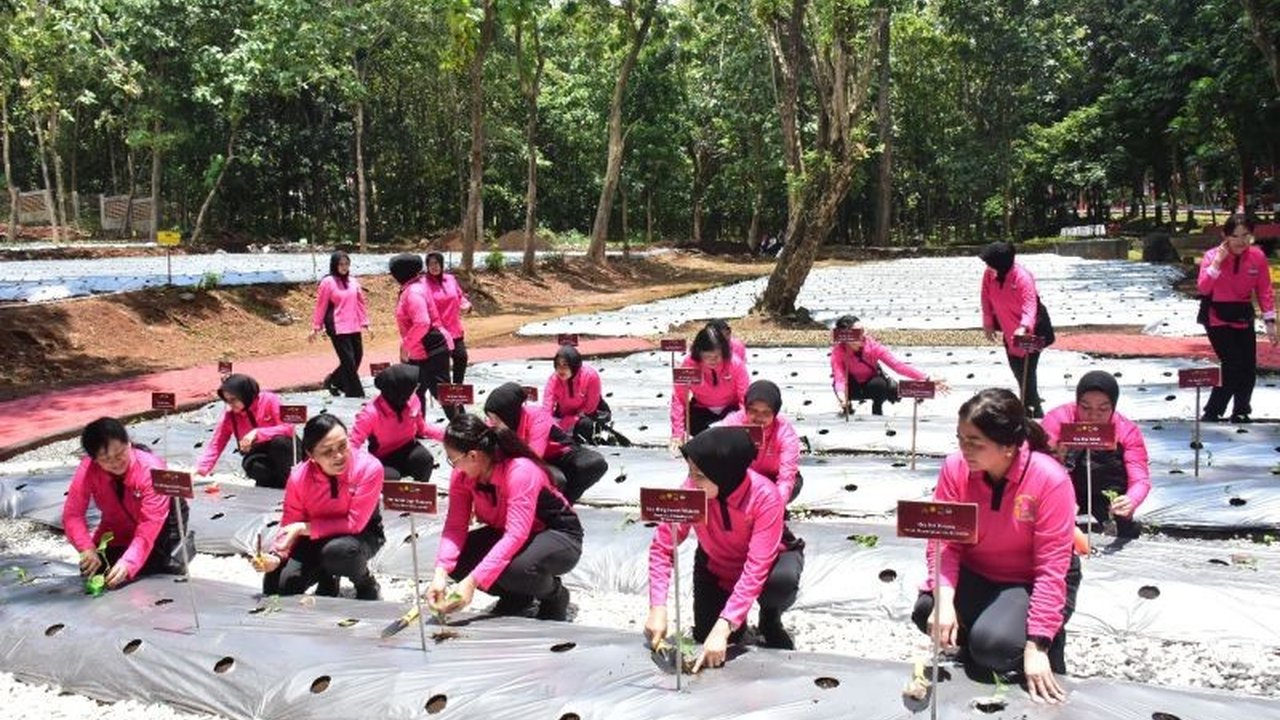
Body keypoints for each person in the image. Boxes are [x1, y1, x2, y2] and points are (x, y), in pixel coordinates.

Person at [911, 388, 1080, 704]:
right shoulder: (955, 468)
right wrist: (943, 601)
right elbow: (945, 542)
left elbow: (1051, 568)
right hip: (978, 570)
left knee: (994, 647)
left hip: (1026, 580)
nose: (965, 450)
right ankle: (984, 639)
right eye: (960, 439)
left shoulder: (1049, 479)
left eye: (975, 443)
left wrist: (1037, 645)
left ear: (1008, 447)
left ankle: (1040, 637)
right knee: (927, 611)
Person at [644, 427, 803, 667]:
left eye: (699, 475)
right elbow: (663, 547)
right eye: (691, 472)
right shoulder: (693, 489)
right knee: (706, 640)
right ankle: (734, 618)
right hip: (716, 566)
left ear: (723, 474)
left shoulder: (765, 497)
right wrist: (658, 606)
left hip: (766, 566)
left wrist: (725, 624)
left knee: (779, 584)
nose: (691, 480)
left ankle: (770, 617)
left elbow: (757, 566)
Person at [425, 414, 583, 620]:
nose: (454, 467)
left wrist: (472, 582)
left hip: (557, 533)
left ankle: (555, 595)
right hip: (508, 532)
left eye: (453, 460)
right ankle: (517, 597)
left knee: (517, 570)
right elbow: (456, 525)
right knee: (459, 559)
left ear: (473, 456)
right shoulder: (462, 476)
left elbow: (516, 534)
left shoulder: (520, 471)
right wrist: (440, 574)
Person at [251, 414, 385, 600]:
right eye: (327, 451)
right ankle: (327, 576)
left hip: (360, 534)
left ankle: (365, 581)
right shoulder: (299, 477)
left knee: (338, 552)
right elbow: (291, 520)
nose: (338, 456)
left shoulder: (369, 468)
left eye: (342, 446)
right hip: (313, 537)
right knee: (277, 586)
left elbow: (355, 523)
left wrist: (303, 528)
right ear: (311, 454)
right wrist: (276, 555)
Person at [63, 418, 191, 589]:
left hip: (160, 524)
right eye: (106, 459)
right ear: (94, 460)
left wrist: (128, 563)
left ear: (129, 444)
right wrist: (86, 548)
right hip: (117, 523)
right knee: (95, 571)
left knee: (152, 576)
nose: (115, 463)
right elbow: (73, 514)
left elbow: (148, 526)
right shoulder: (87, 470)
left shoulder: (151, 470)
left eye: (119, 454)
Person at [1041, 371, 1150, 539]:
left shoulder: (1126, 430)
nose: (1093, 415)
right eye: (1085, 408)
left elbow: (1140, 479)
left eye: (1103, 409)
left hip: (1106, 493)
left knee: (1123, 530)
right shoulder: (1058, 419)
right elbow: (1040, 465)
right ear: (1077, 403)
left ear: (1113, 407)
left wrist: (1131, 500)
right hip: (1064, 489)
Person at [1196, 213, 1278, 423]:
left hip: (1242, 313)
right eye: (1235, 236)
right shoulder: (1212, 256)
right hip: (1216, 314)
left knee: (1248, 366)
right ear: (1225, 236)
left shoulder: (1257, 256)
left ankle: (1241, 410)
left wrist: (1270, 321)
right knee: (1232, 363)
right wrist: (1217, 263)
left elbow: (1264, 290)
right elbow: (1203, 288)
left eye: (1246, 236)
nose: (1241, 241)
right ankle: (1213, 410)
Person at [485, 382, 608, 504]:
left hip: (559, 456)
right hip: (526, 461)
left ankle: (563, 502)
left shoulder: (537, 417)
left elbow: (534, 456)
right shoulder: (493, 425)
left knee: (594, 464)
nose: (492, 422)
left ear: (508, 414)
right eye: (490, 417)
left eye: (496, 418)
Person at [979, 241, 1052, 418]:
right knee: (1018, 371)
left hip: (1031, 332)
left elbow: (1030, 306)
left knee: (1027, 373)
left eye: (990, 263)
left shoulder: (1022, 277)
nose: (988, 267)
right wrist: (988, 322)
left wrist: (1024, 327)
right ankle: (1029, 408)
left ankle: (1032, 413)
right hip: (1008, 329)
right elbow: (985, 297)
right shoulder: (990, 274)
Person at [195, 374, 299, 489]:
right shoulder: (230, 415)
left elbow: (288, 428)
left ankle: (295, 485)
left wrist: (257, 433)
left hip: (285, 450)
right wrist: (201, 470)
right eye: (227, 400)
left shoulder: (269, 400)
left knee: (280, 443)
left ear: (245, 394)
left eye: (233, 399)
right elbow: (217, 443)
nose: (230, 404)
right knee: (255, 468)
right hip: (258, 453)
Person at [829, 315, 946, 416]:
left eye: (863, 330)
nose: (863, 334)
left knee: (880, 384)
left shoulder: (873, 346)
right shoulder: (838, 351)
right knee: (840, 389)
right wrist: (841, 397)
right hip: (852, 386)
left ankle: (878, 413)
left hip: (872, 384)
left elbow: (897, 366)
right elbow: (839, 378)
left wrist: (926, 378)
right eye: (858, 332)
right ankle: (847, 409)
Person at [348, 363, 445, 482]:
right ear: (400, 391)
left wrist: (448, 437)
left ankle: (419, 497)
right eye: (414, 386)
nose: (417, 388)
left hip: (408, 448)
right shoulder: (370, 413)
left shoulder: (413, 400)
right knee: (391, 477)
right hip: (383, 457)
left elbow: (422, 428)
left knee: (425, 460)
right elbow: (353, 444)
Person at [714, 380, 802, 504]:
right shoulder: (733, 423)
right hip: (741, 478)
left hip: (772, 479)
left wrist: (776, 506)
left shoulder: (785, 433)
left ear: (775, 413)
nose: (759, 418)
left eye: (766, 413)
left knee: (794, 484)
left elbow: (786, 477)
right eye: (753, 411)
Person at [669, 325, 750, 452]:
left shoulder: (735, 364)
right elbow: (679, 398)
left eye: (717, 357)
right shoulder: (689, 364)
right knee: (694, 427)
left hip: (730, 411)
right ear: (698, 353)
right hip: (702, 410)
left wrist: (746, 427)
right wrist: (677, 434)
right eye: (707, 357)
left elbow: (744, 398)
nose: (713, 361)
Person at [391, 253, 452, 414]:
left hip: (430, 351)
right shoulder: (414, 287)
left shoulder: (413, 293)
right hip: (419, 352)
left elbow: (422, 323)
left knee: (443, 395)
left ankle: (465, 430)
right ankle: (418, 428)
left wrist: (405, 345)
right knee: (416, 392)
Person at [309, 250, 369, 398]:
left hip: (353, 324)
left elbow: (360, 304)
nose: (344, 267)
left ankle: (334, 381)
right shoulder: (327, 282)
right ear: (334, 265)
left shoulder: (353, 281)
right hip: (337, 326)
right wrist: (316, 327)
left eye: (346, 264)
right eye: (340, 264)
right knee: (348, 361)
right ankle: (355, 393)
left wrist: (366, 323)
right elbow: (321, 305)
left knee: (357, 357)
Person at [425, 252, 473, 393]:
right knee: (442, 366)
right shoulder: (423, 284)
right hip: (436, 332)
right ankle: (446, 399)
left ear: (442, 264)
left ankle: (458, 392)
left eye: (436, 263)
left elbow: (460, 297)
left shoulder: (450, 279)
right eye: (430, 264)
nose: (434, 267)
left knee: (461, 358)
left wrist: (466, 305)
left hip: (454, 329)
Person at [542, 344, 610, 443]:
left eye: (565, 365)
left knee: (586, 426)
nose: (561, 369)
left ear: (573, 365)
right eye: (558, 365)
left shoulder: (590, 376)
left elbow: (590, 407)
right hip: (564, 415)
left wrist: (572, 419)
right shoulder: (553, 380)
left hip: (589, 414)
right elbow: (547, 406)